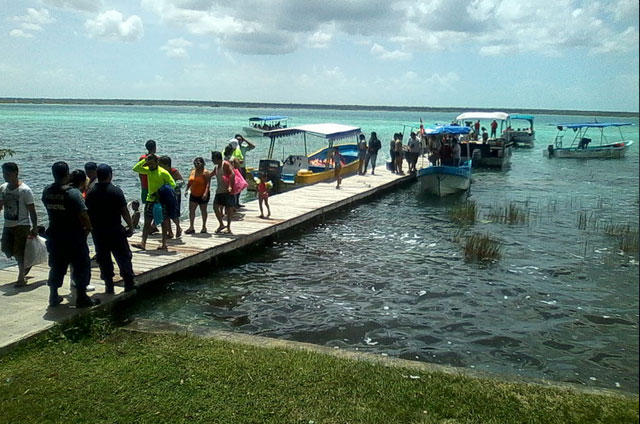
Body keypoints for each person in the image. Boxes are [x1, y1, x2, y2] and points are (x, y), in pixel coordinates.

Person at [42, 161, 98, 307]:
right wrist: (89, 228)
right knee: (81, 265)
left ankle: (53, 296)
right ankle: (82, 297)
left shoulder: (47, 191)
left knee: (56, 266)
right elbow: (83, 214)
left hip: (55, 235)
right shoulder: (73, 193)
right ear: (67, 174)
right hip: (74, 237)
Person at [85, 164, 135, 294]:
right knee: (123, 257)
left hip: (98, 232)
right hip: (115, 229)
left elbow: (87, 213)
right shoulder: (116, 191)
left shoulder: (91, 192)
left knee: (103, 259)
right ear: (110, 175)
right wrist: (130, 226)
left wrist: (90, 228)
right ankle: (129, 284)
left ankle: (109, 286)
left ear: (97, 175)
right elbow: (124, 211)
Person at [0, 162, 38, 287]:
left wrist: (35, 226)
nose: (5, 176)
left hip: (22, 224)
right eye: (4, 173)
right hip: (8, 224)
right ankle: (26, 266)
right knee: (6, 248)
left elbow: (32, 210)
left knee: (19, 251)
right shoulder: (3, 188)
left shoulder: (25, 190)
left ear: (16, 173)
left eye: (8, 173)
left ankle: (21, 277)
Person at [132, 154, 176, 251]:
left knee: (164, 222)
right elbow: (135, 168)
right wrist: (145, 160)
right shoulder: (148, 171)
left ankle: (164, 244)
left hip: (161, 201)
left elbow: (173, 184)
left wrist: (161, 192)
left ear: (157, 162)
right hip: (150, 200)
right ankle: (143, 243)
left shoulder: (163, 172)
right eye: (149, 164)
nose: (150, 166)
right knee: (147, 222)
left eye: (152, 163)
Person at [68, 169, 96, 292]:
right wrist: (89, 227)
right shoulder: (77, 194)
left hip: (64, 230)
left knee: (71, 259)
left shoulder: (64, 191)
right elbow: (83, 214)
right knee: (83, 259)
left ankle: (73, 280)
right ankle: (83, 285)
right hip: (78, 231)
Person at [158, 155, 183, 239]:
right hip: (164, 195)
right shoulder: (160, 172)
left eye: (161, 165)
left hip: (174, 195)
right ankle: (170, 232)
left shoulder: (174, 171)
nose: (159, 166)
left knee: (174, 214)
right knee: (165, 214)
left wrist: (174, 186)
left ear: (167, 165)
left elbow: (181, 181)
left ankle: (178, 228)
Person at [184, 157, 211, 234]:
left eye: (198, 163)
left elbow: (208, 184)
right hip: (193, 194)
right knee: (191, 211)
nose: (196, 165)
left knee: (203, 210)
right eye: (195, 163)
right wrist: (186, 190)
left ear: (203, 164)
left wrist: (205, 193)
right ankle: (191, 227)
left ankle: (204, 226)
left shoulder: (205, 173)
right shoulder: (193, 172)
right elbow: (190, 182)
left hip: (203, 194)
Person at [211, 151, 235, 234]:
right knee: (215, 207)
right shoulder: (217, 167)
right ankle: (221, 224)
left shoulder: (226, 164)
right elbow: (211, 175)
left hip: (226, 190)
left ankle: (228, 227)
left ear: (217, 159)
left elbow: (232, 174)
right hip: (219, 190)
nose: (212, 161)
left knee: (228, 209)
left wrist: (230, 186)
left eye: (213, 159)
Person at [138, 140, 158, 234]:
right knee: (156, 206)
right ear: (155, 147)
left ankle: (149, 226)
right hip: (154, 186)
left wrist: (142, 183)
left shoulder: (142, 158)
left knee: (147, 207)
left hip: (144, 186)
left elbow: (139, 172)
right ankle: (153, 225)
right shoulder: (157, 159)